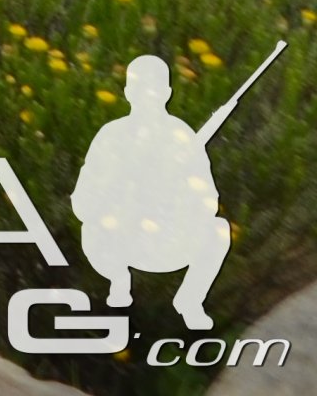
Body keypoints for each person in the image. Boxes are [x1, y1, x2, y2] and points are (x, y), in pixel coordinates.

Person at [75, 50, 242, 328]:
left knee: (218, 230)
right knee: (94, 227)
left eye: (154, 89)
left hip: (166, 239)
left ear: (167, 92)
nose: (148, 96)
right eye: (141, 89)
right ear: (128, 92)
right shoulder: (111, 136)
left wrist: (177, 192)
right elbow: (83, 200)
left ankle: (190, 300)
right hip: (118, 240)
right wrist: (123, 189)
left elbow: (209, 201)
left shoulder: (183, 137)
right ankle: (118, 281)